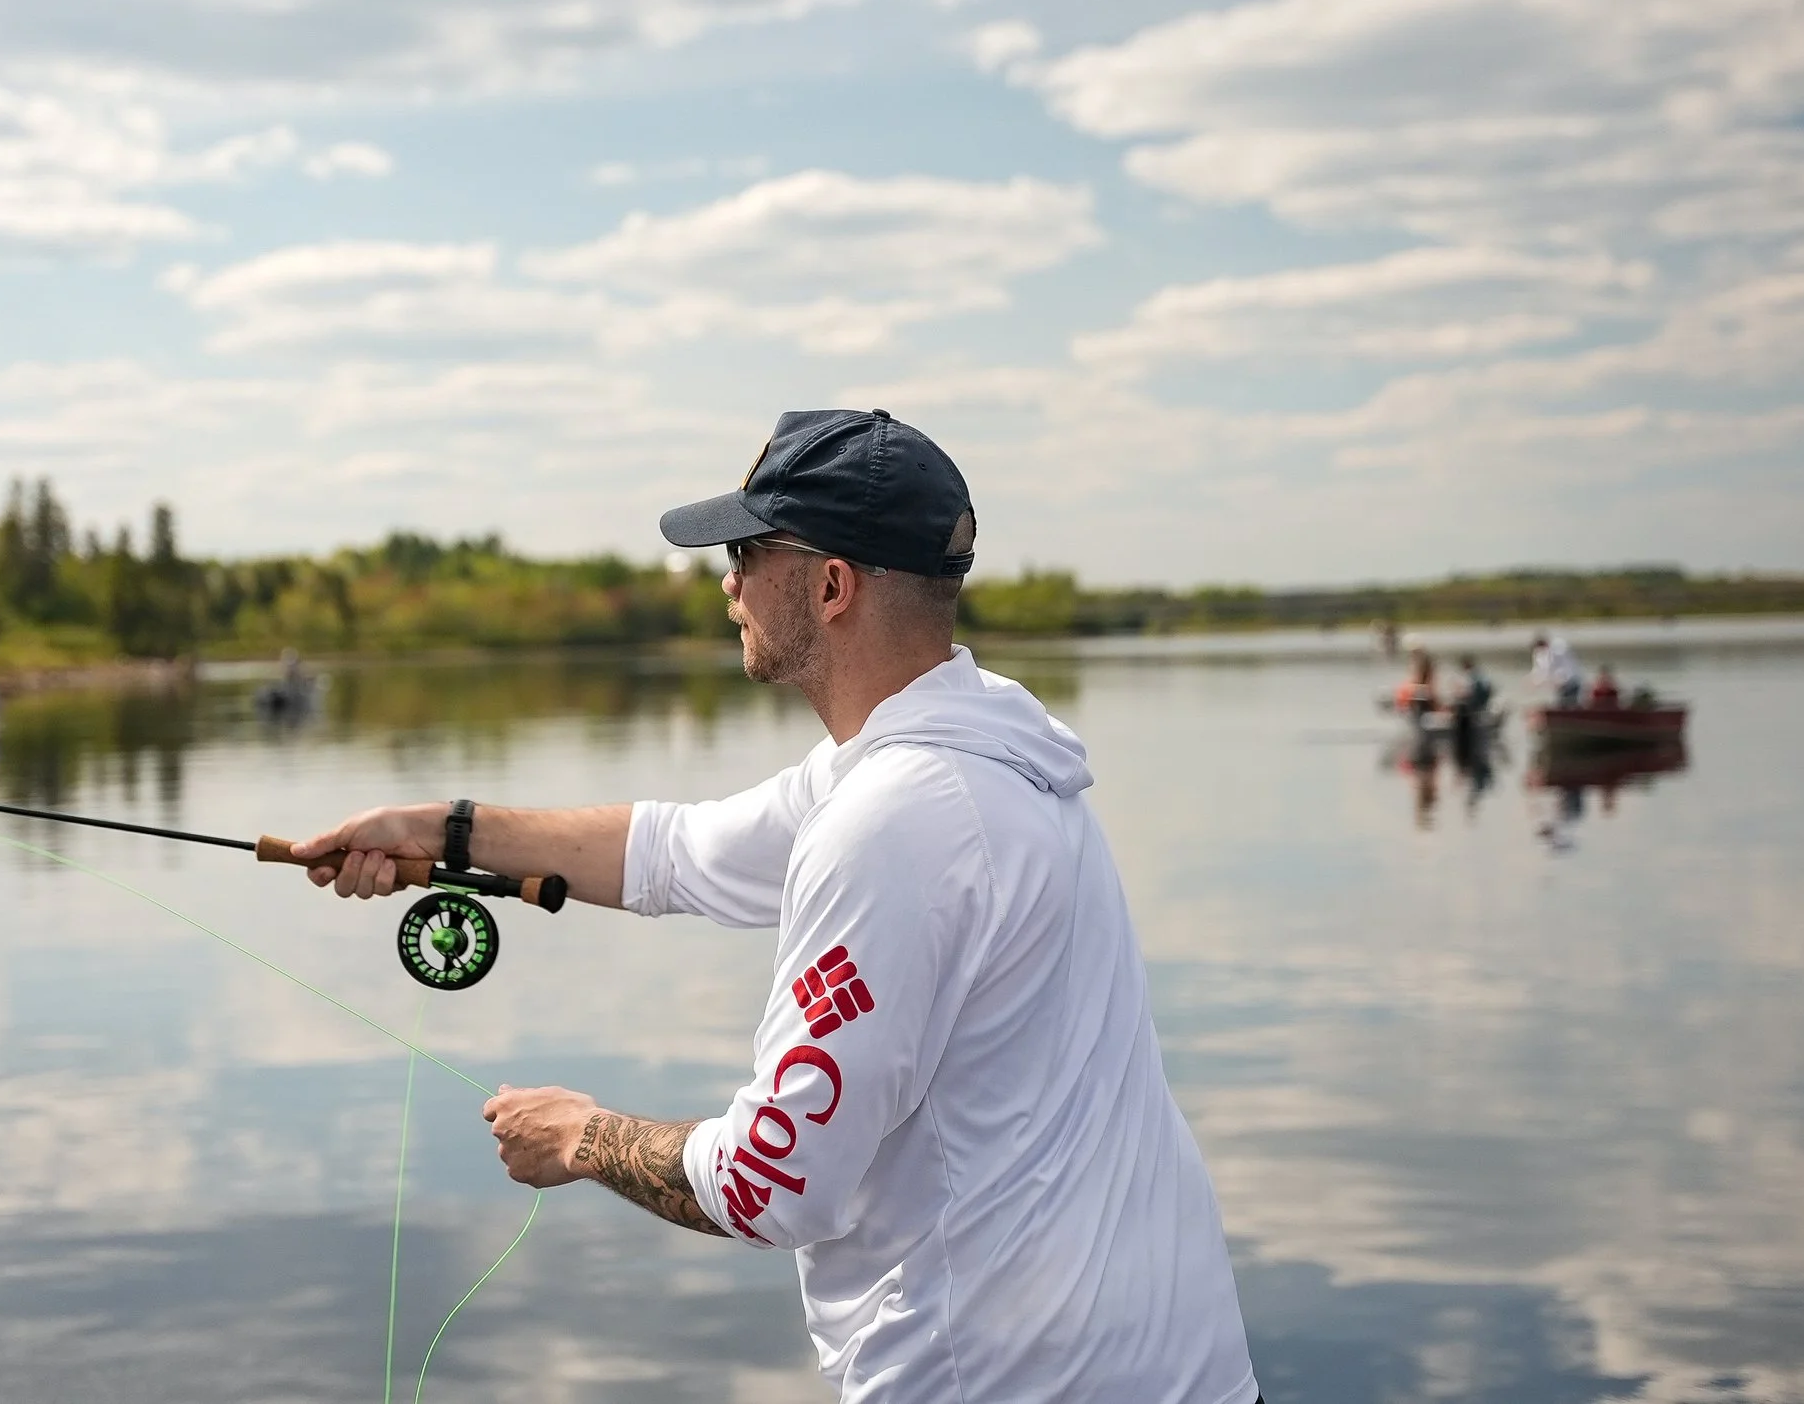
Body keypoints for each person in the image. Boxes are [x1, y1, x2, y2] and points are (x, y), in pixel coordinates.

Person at [296, 409, 1261, 1404]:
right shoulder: (971, 753)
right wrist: (440, 829)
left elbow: (774, 1182)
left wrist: (581, 1135)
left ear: (831, 584)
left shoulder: (894, 821)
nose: (726, 582)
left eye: (745, 551)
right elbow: (676, 850)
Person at [1529, 632, 1584, 707]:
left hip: (1572, 681)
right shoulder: (1543, 655)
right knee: (1562, 703)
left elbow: (1552, 667)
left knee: (1571, 703)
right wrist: (1535, 682)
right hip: (1562, 684)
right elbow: (1542, 670)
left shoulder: (1557, 646)